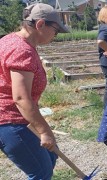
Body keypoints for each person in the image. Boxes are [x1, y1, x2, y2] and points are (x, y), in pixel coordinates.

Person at [0, 3, 69, 179]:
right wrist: (45, 131)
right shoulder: (22, 51)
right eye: (56, 30)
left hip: (18, 117)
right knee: (41, 172)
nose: (56, 34)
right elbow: (21, 98)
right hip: (11, 120)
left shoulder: (10, 40)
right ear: (40, 25)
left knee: (51, 155)